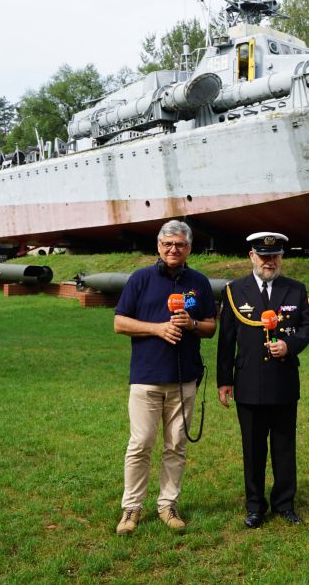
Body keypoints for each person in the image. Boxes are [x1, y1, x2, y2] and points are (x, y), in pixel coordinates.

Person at [112, 220, 217, 535]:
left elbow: (210, 327)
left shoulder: (198, 282)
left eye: (180, 245)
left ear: (189, 249)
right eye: (168, 244)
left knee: (176, 444)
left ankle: (167, 505)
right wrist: (157, 328)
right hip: (146, 378)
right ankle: (131, 509)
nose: (174, 249)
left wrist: (192, 324)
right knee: (141, 443)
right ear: (158, 246)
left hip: (184, 379)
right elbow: (119, 322)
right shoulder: (141, 279)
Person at [217, 232, 309, 529]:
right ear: (251, 257)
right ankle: (255, 506)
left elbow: (308, 327)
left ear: (281, 258)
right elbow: (226, 340)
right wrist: (225, 380)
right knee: (253, 448)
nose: (269, 262)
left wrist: (290, 345)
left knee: (285, 447)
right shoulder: (235, 290)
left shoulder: (296, 289)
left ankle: (285, 503)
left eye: (274, 257)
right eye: (263, 256)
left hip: (283, 380)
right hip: (248, 381)